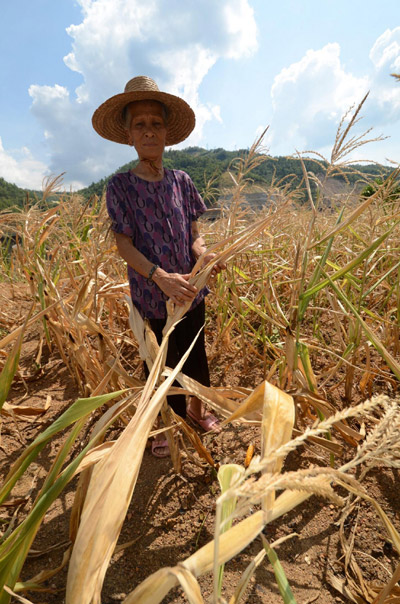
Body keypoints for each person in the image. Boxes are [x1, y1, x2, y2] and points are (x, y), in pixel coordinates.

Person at [92, 76, 225, 457]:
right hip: (153, 294)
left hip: (190, 290)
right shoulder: (120, 186)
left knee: (196, 352)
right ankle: (161, 425)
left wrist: (204, 255)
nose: (149, 130)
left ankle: (197, 410)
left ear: (167, 132)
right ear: (130, 136)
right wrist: (160, 276)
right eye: (140, 124)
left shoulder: (182, 181)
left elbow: (194, 234)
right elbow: (124, 243)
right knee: (159, 361)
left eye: (156, 123)